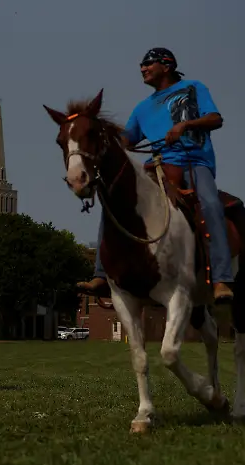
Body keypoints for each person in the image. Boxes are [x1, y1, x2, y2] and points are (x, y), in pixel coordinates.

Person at [77, 47, 234, 303]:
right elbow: (128, 139)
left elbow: (216, 119)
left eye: (148, 63)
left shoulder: (194, 88)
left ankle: (221, 279)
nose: (143, 68)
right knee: (115, 202)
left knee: (210, 204)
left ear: (167, 65)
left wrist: (185, 125)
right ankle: (101, 275)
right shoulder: (142, 108)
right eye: (142, 65)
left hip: (193, 162)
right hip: (156, 166)